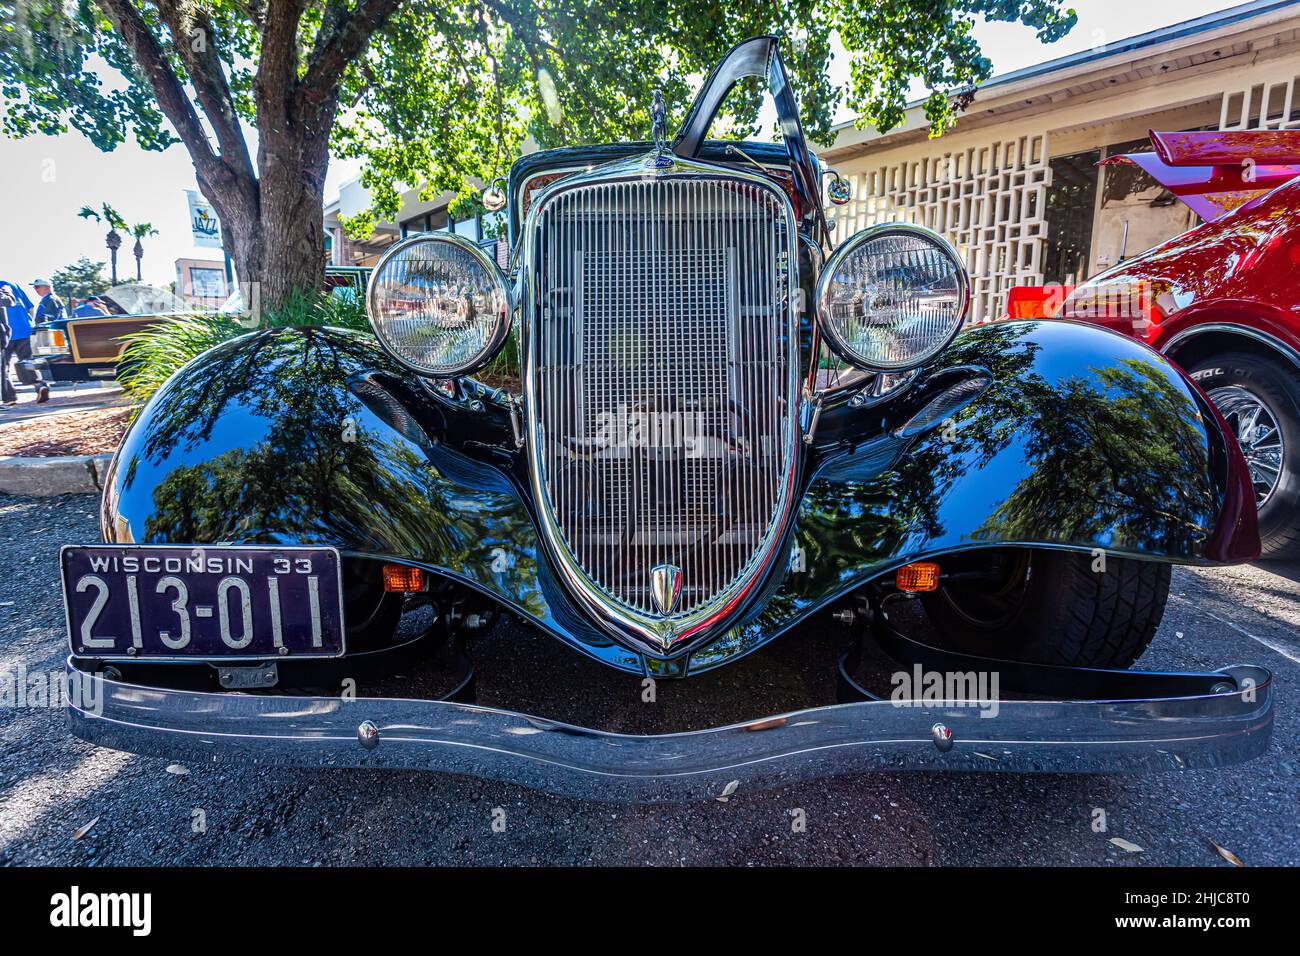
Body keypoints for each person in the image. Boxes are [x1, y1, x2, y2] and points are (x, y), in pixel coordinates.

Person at [1, 278, 50, 403]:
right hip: (25, 328)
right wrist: (30, 325)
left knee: (3, 367)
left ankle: (9, 398)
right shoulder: (12, 284)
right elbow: (30, 307)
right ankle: (39, 385)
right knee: (29, 360)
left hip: (6, 333)